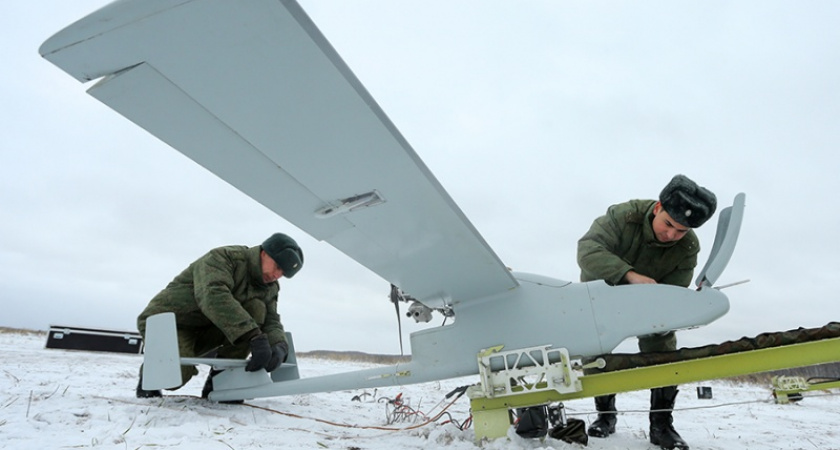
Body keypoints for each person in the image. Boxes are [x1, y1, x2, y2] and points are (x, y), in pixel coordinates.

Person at [577, 174, 716, 450]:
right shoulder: (623, 216)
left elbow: (675, 290)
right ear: (657, 208)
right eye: (668, 225)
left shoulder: (688, 247)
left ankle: (661, 426)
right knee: (596, 354)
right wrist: (629, 275)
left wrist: (663, 315)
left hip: (651, 305)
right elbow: (588, 250)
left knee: (663, 349)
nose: (671, 235)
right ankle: (605, 417)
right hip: (604, 294)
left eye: (681, 231)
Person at [135, 232, 303, 400]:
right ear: (265, 252)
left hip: (210, 327)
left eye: (283, 273)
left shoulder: (270, 287)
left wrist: (279, 345)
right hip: (170, 322)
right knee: (174, 376)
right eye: (277, 266)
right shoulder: (224, 258)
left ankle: (219, 382)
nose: (276, 275)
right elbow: (213, 295)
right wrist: (253, 335)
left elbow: (270, 319)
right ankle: (149, 377)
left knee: (257, 308)